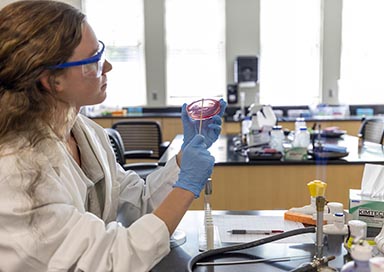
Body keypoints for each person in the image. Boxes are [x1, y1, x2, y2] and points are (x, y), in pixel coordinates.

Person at [0, 1, 227, 271]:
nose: (107, 66)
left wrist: (182, 158)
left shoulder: (87, 133)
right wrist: (186, 187)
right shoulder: (16, 170)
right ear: (52, 81)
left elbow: (139, 204)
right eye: (94, 59)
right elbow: (109, 259)